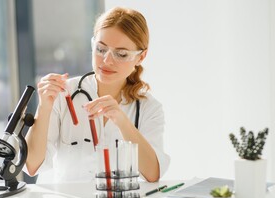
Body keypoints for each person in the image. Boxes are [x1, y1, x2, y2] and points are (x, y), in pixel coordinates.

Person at [25, 6, 170, 185]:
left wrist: (122, 121)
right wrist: (44, 107)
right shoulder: (65, 95)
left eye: (121, 54)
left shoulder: (149, 108)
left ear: (141, 57)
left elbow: (153, 173)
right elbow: (31, 165)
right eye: (101, 49)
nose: (107, 61)